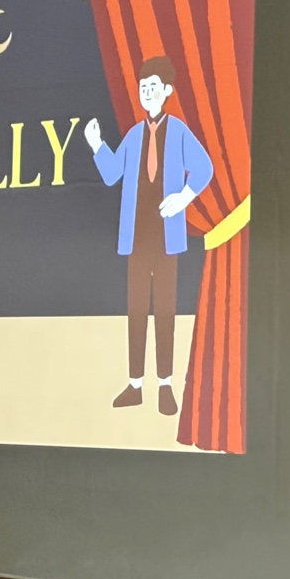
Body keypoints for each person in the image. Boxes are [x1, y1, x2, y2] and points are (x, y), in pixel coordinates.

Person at [84, 55, 213, 415]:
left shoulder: (179, 131)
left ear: (167, 90)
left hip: (167, 236)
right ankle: (135, 384)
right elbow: (112, 173)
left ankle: (166, 385)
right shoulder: (134, 136)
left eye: (153, 87)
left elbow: (204, 168)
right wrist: (97, 144)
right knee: (137, 309)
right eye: (143, 87)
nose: (147, 93)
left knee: (165, 310)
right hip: (136, 235)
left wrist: (183, 197)